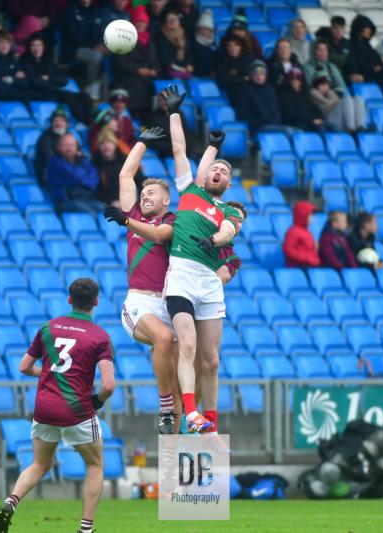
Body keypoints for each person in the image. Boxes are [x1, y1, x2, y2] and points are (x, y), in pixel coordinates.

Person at [0, 278, 116, 533]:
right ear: (96, 302)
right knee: (95, 465)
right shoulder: (100, 337)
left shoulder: (48, 327)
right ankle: (85, 528)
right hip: (77, 411)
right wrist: (98, 401)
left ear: (69, 300)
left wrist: (50, 375)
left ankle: (10, 502)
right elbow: (109, 385)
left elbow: (24, 367)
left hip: (44, 409)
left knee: (39, 464)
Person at [163, 85, 242, 434]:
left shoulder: (229, 209)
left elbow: (229, 232)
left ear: (227, 184)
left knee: (211, 361)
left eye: (225, 172)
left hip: (209, 282)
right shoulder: (189, 192)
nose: (219, 172)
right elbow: (179, 148)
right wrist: (174, 112)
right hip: (181, 274)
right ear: (205, 174)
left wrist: (215, 239)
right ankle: (191, 415)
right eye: (215, 168)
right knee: (189, 347)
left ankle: (210, 422)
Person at [102, 127, 184, 434]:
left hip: (167, 303)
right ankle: (164, 409)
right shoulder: (134, 214)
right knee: (163, 339)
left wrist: (128, 222)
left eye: (152, 193)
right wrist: (141, 143)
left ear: (166, 200)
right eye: (144, 192)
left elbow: (162, 235)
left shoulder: (171, 221)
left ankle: (176, 457)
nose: (145, 195)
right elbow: (126, 175)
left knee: (179, 373)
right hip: (138, 301)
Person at [19, 32, 91, 123]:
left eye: (39, 45)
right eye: (33, 45)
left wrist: (48, 79)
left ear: (43, 46)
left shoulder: (47, 60)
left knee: (84, 96)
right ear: (29, 47)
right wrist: (52, 82)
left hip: (52, 90)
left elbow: (64, 80)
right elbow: (35, 82)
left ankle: (92, 120)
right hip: (36, 92)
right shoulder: (25, 60)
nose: (36, 48)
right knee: (67, 96)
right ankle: (86, 122)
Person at [305, 41, 366, 132]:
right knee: (347, 100)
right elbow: (309, 88)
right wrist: (322, 90)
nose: (322, 53)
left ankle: (361, 128)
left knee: (358, 99)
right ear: (314, 52)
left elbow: (342, 86)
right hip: (324, 111)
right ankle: (351, 129)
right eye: (319, 50)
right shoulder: (307, 67)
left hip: (335, 102)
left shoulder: (332, 67)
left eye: (324, 50)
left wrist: (331, 91)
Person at [111, 6, 159, 118]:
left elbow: (155, 60)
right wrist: (138, 70)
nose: (141, 24)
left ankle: (148, 118)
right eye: (138, 21)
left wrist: (155, 71)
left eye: (143, 22)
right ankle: (136, 116)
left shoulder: (149, 40)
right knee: (139, 86)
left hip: (147, 76)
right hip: (128, 76)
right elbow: (120, 62)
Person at [45, 133, 101, 215]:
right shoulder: (55, 162)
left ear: (76, 147)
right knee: (89, 213)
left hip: (86, 199)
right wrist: (84, 179)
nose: (69, 148)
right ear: (58, 147)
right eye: (65, 145)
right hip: (66, 200)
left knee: (105, 210)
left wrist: (81, 180)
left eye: (71, 145)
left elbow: (94, 177)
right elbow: (75, 176)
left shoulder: (83, 160)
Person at [64, 0, 106, 100]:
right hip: (74, 49)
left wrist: (101, 44)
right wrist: (93, 46)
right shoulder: (71, 10)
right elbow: (73, 36)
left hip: (93, 48)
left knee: (110, 56)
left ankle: (106, 98)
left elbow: (100, 32)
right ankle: (92, 87)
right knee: (96, 57)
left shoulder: (96, 10)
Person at [346, 15, 383, 87]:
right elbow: (355, 66)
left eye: (370, 28)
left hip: (372, 77)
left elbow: (379, 63)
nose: (369, 30)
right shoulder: (350, 45)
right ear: (360, 28)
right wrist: (373, 68)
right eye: (367, 28)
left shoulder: (368, 46)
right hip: (363, 78)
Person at [0, 30, 29, 100]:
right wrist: (14, 78)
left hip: (17, 96)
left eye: (8, 43)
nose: (5, 46)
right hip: (0, 98)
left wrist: (8, 79)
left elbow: (25, 82)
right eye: (1, 42)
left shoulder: (13, 59)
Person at [278, 67, 325, 132]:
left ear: (301, 81)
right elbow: (290, 114)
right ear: (288, 80)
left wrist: (320, 117)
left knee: (331, 127)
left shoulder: (304, 92)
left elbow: (313, 107)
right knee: (316, 129)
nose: (295, 81)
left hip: (309, 122)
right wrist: (311, 120)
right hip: (296, 123)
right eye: (292, 78)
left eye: (298, 78)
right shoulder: (284, 94)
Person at [92, 129, 130, 206]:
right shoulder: (94, 164)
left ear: (115, 144)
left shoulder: (125, 161)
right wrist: (111, 201)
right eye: (102, 143)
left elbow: (138, 180)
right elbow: (95, 190)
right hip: (106, 203)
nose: (106, 146)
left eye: (109, 142)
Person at [34, 108, 69, 185]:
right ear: (51, 124)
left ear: (67, 124)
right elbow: (51, 160)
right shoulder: (45, 139)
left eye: (61, 121)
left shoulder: (69, 137)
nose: (58, 123)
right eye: (56, 121)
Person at [215, 34, 251, 107]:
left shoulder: (249, 60)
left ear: (241, 47)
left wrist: (236, 73)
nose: (232, 48)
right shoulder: (223, 63)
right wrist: (243, 78)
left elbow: (251, 76)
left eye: (236, 45)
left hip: (250, 94)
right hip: (234, 96)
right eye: (229, 46)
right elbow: (223, 79)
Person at [156, 9, 193, 79]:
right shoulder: (161, 37)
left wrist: (189, 64)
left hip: (185, 69)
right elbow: (165, 59)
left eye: (174, 19)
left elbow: (189, 54)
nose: (172, 22)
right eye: (169, 20)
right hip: (168, 71)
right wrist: (179, 68)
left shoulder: (184, 35)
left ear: (179, 21)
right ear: (165, 22)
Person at [283, 201, 320, 268]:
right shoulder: (293, 231)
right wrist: (307, 258)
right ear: (303, 215)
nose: (312, 217)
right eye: (310, 215)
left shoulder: (307, 231)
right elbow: (288, 250)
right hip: (298, 268)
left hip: (308, 266)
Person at [192, 9, 217, 76]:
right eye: (201, 29)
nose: (204, 32)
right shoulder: (193, 45)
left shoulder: (213, 44)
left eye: (206, 29)